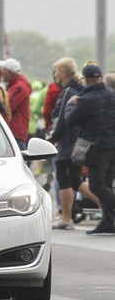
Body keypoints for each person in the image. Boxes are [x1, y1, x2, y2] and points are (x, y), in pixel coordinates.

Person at [46, 58, 98, 230]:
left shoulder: (68, 91)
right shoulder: (79, 90)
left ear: (61, 73)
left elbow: (61, 119)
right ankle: (107, 204)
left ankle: (66, 218)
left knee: (64, 178)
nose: (55, 75)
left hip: (67, 142)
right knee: (75, 180)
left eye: (56, 72)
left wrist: (52, 138)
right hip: (78, 141)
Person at [65, 63, 115, 235]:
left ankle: (110, 217)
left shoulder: (86, 99)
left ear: (85, 80)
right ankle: (108, 222)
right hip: (112, 146)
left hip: (97, 148)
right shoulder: (111, 95)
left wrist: (71, 104)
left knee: (96, 185)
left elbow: (71, 120)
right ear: (100, 78)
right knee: (107, 183)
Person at [0, 58, 31, 150]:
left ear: (9, 72)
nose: (1, 73)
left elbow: (7, 107)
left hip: (15, 131)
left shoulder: (19, 87)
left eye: (3, 70)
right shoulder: (16, 85)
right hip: (15, 130)